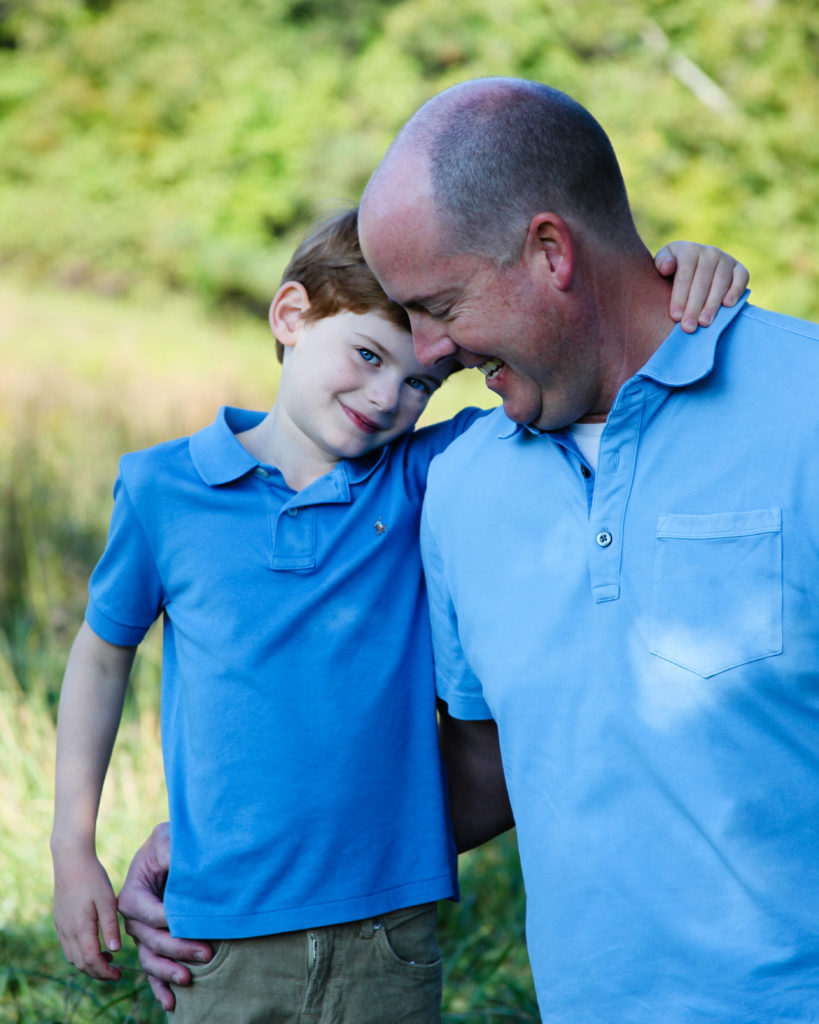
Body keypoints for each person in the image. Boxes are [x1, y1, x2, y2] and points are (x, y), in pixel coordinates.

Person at [102, 220, 745, 1016]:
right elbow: (101, 656)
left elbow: (580, 377)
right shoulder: (164, 487)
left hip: (386, 932)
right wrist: (72, 853)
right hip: (223, 930)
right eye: (368, 357)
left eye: (420, 384)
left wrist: (673, 274)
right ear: (289, 316)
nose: (386, 398)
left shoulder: (417, 475)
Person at [356, 78, 819, 1022]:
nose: (424, 350)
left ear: (550, 251)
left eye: (438, 304)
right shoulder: (461, 485)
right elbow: (484, 767)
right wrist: (228, 853)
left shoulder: (802, 408)